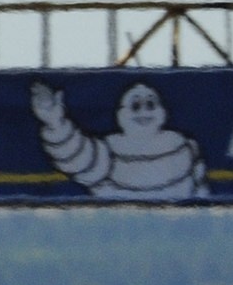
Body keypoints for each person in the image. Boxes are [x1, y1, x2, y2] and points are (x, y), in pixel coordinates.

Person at [29, 81, 208, 199]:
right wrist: (55, 123)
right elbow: (75, 155)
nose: (143, 112)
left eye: (150, 104)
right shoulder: (109, 151)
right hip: (120, 239)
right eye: (135, 106)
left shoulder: (185, 149)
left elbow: (201, 195)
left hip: (175, 239)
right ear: (121, 114)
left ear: (162, 112)